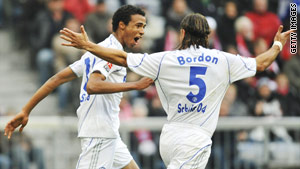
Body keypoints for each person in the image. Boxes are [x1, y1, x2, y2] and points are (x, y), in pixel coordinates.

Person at [59, 13, 293, 168]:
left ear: (182, 34)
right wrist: (278, 44)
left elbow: (122, 58)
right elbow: (262, 63)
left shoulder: (164, 59)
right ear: (208, 37)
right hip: (196, 139)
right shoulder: (224, 60)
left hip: (169, 138)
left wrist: (88, 46)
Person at [4, 5, 154, 169]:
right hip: (99, 133)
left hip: (107, 131)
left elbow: (56, 79)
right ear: (122, 25)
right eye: (138, 25)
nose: (142, 31)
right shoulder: (110, 52)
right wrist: (135, 85)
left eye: (144, 27)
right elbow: (93, 85)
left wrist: (26, 110)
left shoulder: (97, 50)